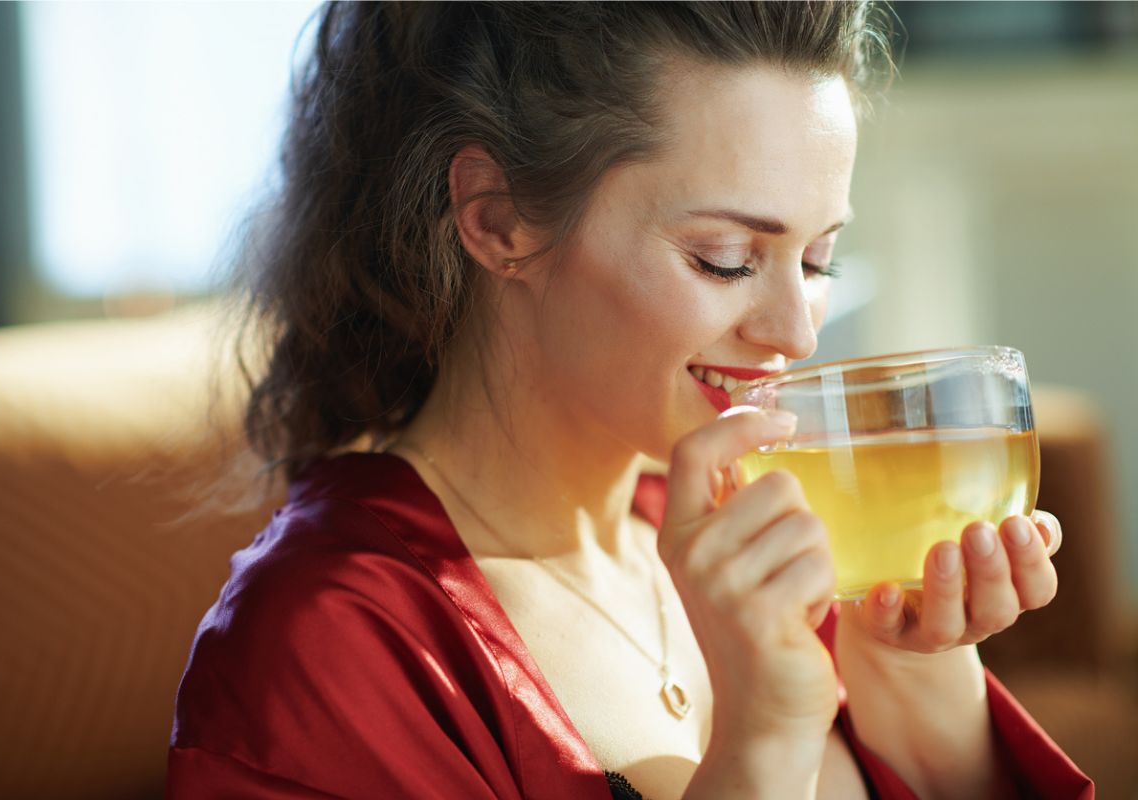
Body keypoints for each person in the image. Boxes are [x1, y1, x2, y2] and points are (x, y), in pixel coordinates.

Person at [168, 3, 1093, 798]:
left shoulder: (762, 535)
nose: (795, 332)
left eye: (816, 260)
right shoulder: (327, 646)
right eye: (723, 259)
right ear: (498, 219)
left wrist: (911, 671)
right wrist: (762, 745)